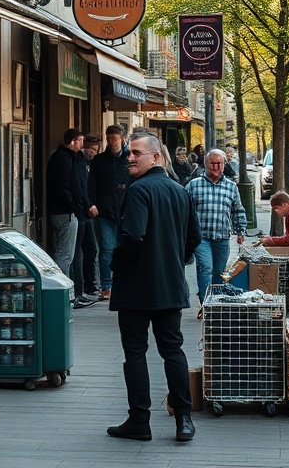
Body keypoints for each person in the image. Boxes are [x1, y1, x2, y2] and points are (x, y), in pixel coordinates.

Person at [107, 133, 201, 443]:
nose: (130, 158)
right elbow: (194, 238)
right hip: (170, 285)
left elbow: (133, 236)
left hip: (136, 286)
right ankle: (184, 419)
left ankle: (139, 421)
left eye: (137, 153)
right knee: (172, 350)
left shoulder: (138, 190)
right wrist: (175, 260)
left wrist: (116, 264)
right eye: (129, 153)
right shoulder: (179, 190)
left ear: (156, 157)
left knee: (135, 353)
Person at [185, 148, 247, 305]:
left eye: (219, 163)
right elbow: (184, 210)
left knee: (219, 273)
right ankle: (206, 303)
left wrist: (241, 230)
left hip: (222, 237)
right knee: (205, 268)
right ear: (206, 164)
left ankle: (217, 304)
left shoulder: (231, 187)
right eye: (213, 163)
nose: (216, 167)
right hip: (201, 237)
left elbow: (238, 210)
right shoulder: (194, 185)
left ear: (224, 164)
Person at [46, 128, 98, 307]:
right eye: (81, 140)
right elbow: (65, 187)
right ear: (73, 141)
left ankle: (71, 294)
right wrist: (75, 207)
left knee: (66, 254)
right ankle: (65, 296)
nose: (83, 145)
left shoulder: (66, 158)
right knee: (65, 255)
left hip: (65, 212)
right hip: (65, 213)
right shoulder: (64, 159)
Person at [88, 125, 130, 301]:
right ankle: (106, 286)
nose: (112, 142)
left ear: (122, 139)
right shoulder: (99, 160)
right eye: (109, 139)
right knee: (106, 248)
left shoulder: (129, 158)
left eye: (115, 139)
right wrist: (91, 203)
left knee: (125, 247)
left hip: (125, 211)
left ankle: (124, 282)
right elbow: (91, 183)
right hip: (104, 211)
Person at [70, 136, 102, 306]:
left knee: (91, 249)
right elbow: (80, 188)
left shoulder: (90, 164)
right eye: (92, 150)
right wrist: (88, 205)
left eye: (96, 150)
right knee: (77, 253)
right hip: (81, 212)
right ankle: (79, 289)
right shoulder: (78, 163)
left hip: (86, 213)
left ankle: (90, 285)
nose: (94, 153)